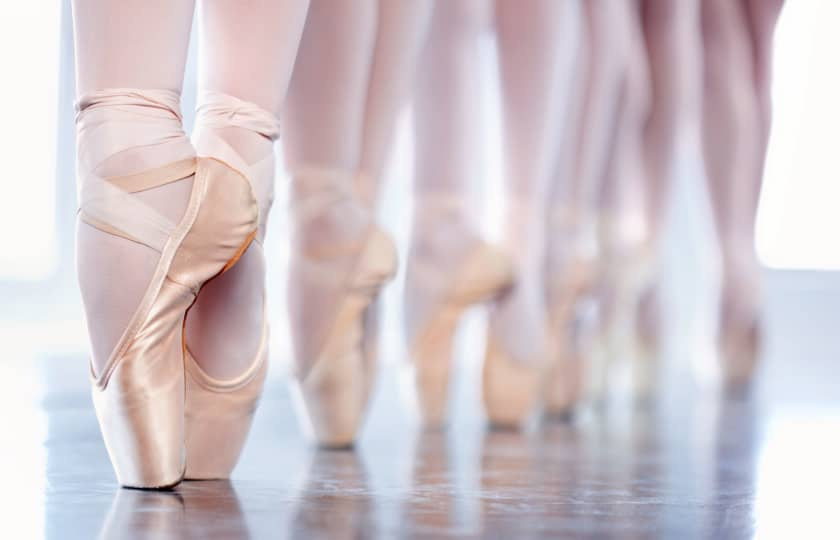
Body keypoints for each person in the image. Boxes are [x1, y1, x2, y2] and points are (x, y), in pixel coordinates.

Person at [72, 0, 307, 488]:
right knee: (243, 119)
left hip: (131, 226)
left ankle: (129, 155)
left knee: (128, 102)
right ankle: (241, 162)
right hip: (241, 206)